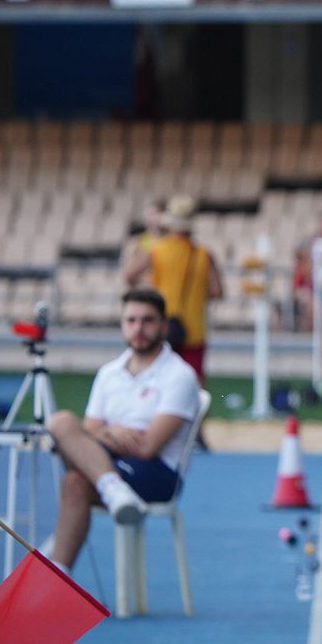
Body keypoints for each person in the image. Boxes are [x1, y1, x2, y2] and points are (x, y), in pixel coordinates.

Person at [44, 289, 200, 573]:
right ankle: (60, 575)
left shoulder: (180, 375)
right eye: (131, 320)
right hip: (112, 465)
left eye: (147, 320)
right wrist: (113, 434)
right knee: (61, 425)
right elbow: (86, 434)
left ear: (164, 326)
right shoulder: (109, 373)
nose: (138, 328)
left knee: (76, 475)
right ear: (122, 324)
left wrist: (102, 435)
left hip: (158, 473)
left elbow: (147, 447)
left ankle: (56, 566)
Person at [123, 194, 223, 384]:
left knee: (157, 381)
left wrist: (149, 288)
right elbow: (217, 291)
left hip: (160, 326)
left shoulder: (157, 250)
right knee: (194, 384)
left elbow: (129, 275)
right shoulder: (204, 255)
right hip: (194, 329)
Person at [121, 197, 167, 288]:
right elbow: (128, 274)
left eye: (155, 214)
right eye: (149, 214)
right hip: (145, 290)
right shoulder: (137, 242)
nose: (150, 218)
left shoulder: (172, 242)